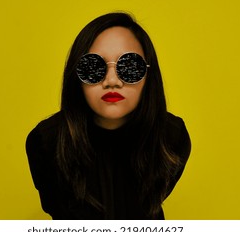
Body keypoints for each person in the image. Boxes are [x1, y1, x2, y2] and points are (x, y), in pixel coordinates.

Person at [26, 12, 191, 220]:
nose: (112, 80)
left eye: (129, 66)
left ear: (149, 75)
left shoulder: (171, 138)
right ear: (76, 75)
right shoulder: (45, 143)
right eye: (94, 67)